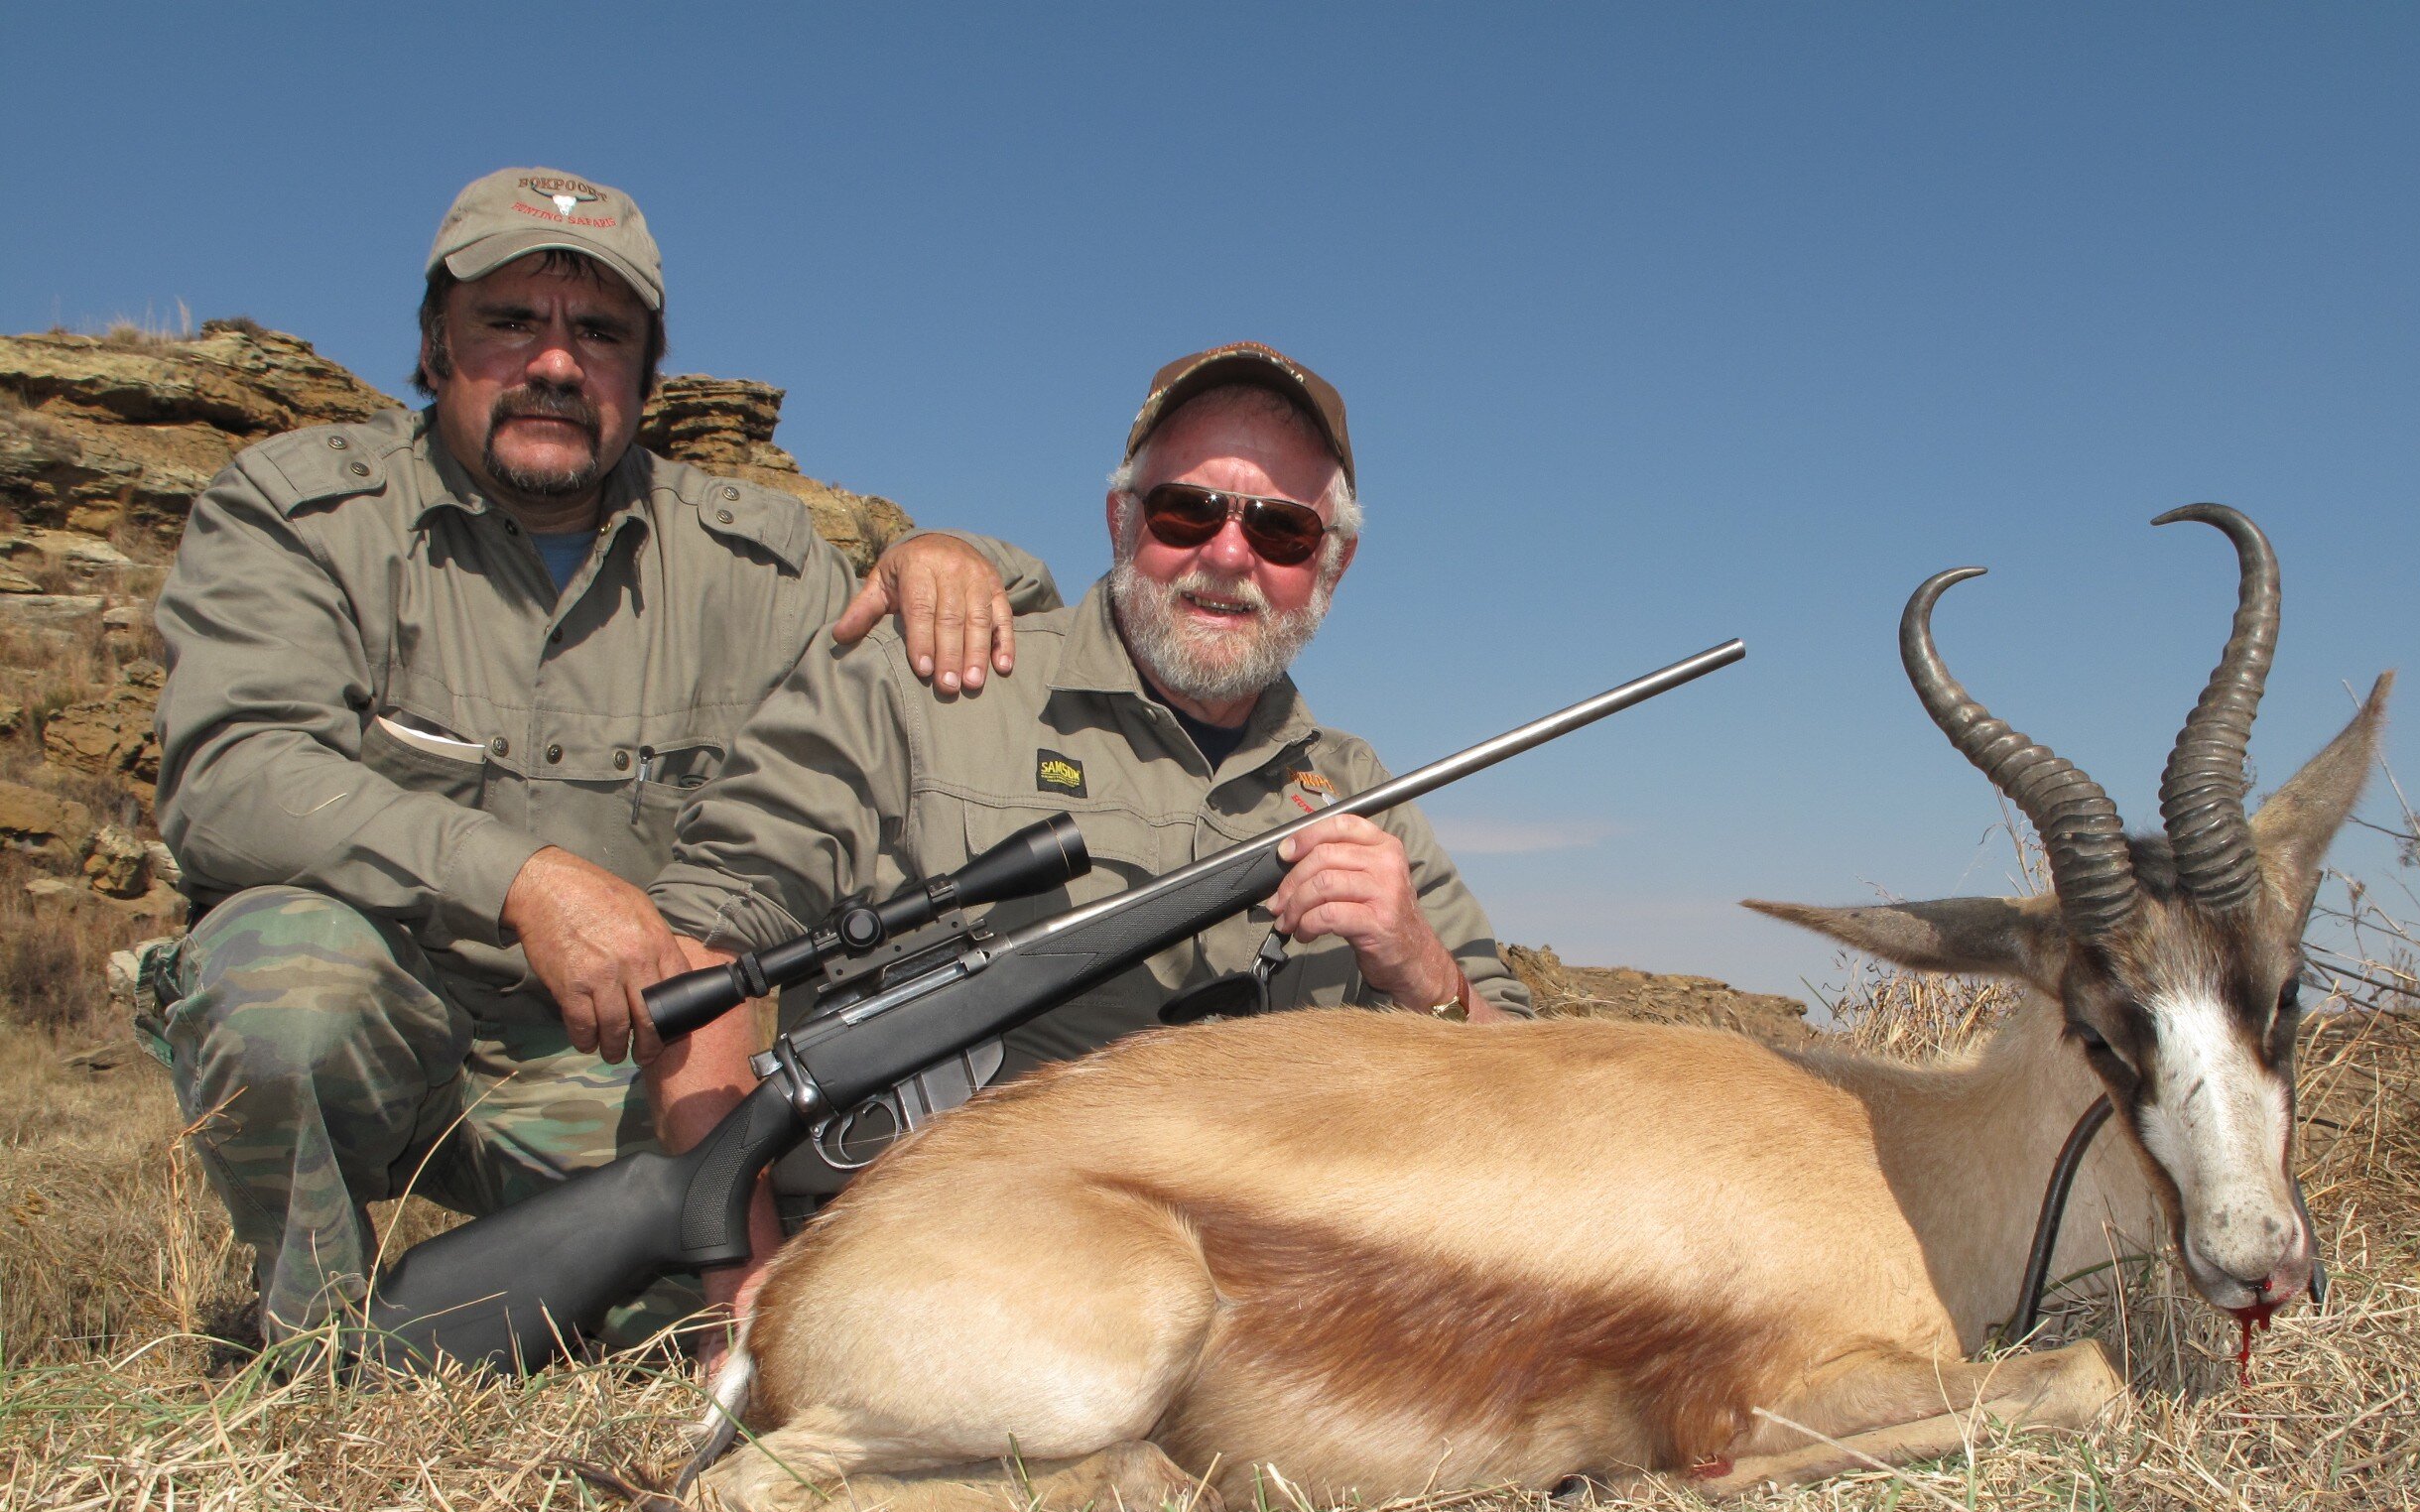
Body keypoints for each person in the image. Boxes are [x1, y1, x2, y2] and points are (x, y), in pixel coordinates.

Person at [149, 168, 1058, 1340]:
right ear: (434, 346)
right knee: (283, 987)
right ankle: (317, 1345)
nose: (556, 364)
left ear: (648, 371)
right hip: (383, 1016)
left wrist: (950, 552)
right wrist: (524, 881)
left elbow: (985, 635)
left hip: (622, 1065)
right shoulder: (294, 511)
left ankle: (566, 1305)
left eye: (600, 333)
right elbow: (230, 778)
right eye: (510, 323)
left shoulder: (761, 561)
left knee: (746, 1260)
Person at [648, 342, 1532, 1262]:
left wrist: (1427, 977)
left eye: (1281, 531)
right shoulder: (922, 682)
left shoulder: (1363, 798)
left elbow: (1532, 1087)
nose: (1228, 556)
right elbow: (702, 948)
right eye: (1186, 510)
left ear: (1332, 565)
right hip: (893, 1275)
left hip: (1233, 1306)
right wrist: (736, 1282)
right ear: (1120, 519)